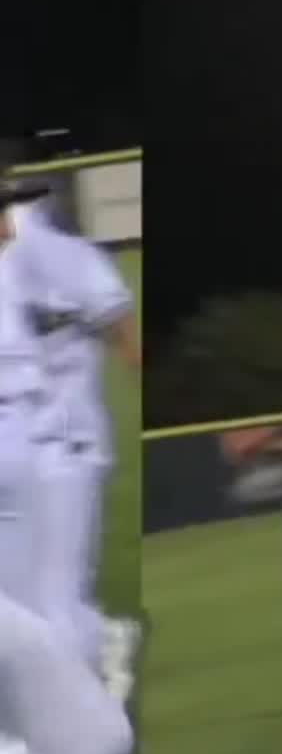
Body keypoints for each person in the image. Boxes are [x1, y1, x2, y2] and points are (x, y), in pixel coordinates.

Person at [0, 173, 134, 754]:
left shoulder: (56, 256)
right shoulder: (24, 259)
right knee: (32, 618)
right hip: (27, 445)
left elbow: (124, 334)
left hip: (58, 450)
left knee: (40, 616)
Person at [0, 186, 143, 701]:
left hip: (68, 440)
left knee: (54, 595)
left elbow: (119, 324)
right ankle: (101, 638)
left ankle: (71, 721)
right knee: (18, 597)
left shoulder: (52, 250)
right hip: (16, 443)